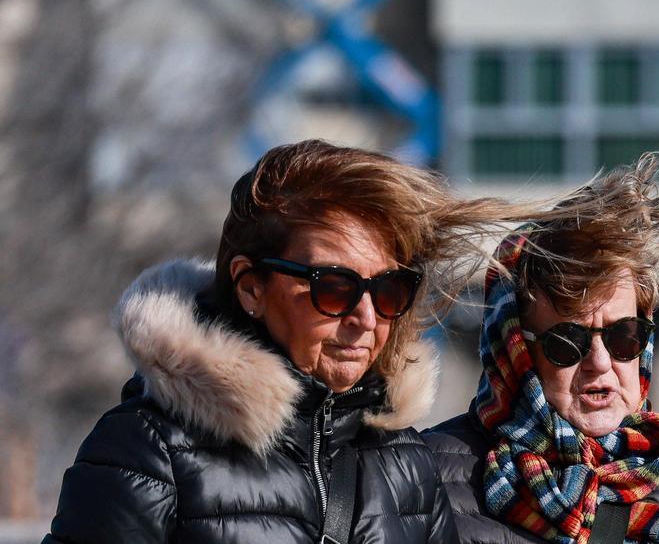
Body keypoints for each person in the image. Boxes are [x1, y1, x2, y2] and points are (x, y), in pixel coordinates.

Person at [44, 139, 512, 543]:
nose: (366, 318)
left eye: (390, 290)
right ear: (251, 288)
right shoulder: (146, 450)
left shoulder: (407, 463)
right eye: (334, 286)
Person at [423, 154, 659, 543]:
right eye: (568, 342)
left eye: (623, 337)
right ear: (516, 353)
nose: (600, 363)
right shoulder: (420, 483)